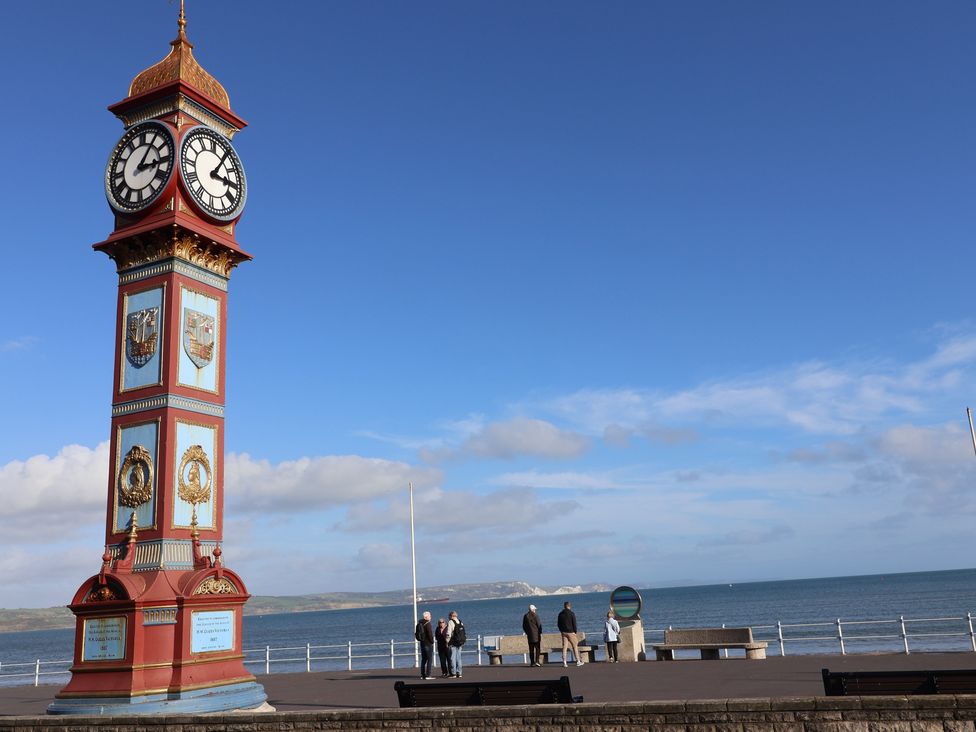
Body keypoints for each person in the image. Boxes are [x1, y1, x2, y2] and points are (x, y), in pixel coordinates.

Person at [557, 601, 583, 667]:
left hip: (563, 632)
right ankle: (578, 661)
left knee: (564, 647)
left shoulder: (560, 614)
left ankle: (564, 662)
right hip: (571, 632)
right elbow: (574, 623)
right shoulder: (571, 613)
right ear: (569, 606)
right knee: (575, 646)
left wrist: (561, 630)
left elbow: (558, 624)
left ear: (564, 606)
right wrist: (575, 632)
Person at [414, 611, 434, 679]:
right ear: (426, 617)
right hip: (428, 643)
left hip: (422, 643)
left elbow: (416, 633)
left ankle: (423, 675)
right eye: (430, 616)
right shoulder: (428, 624)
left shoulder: (419, 623)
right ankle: (428, 675)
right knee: (429, 659)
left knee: (423, 659)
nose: (430, 617)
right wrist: (432, 641)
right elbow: (430, 634)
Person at [445, 610, 464, 678]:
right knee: (459, 658)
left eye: (449, 616)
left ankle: (453, 673)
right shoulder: (460, 622)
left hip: (452, 642)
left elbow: (448, 633)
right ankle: (459, 672)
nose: (448, 617)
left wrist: (447, 642)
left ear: (451, 616)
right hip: (460, 642)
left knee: (452, 658)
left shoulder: (450, 622)